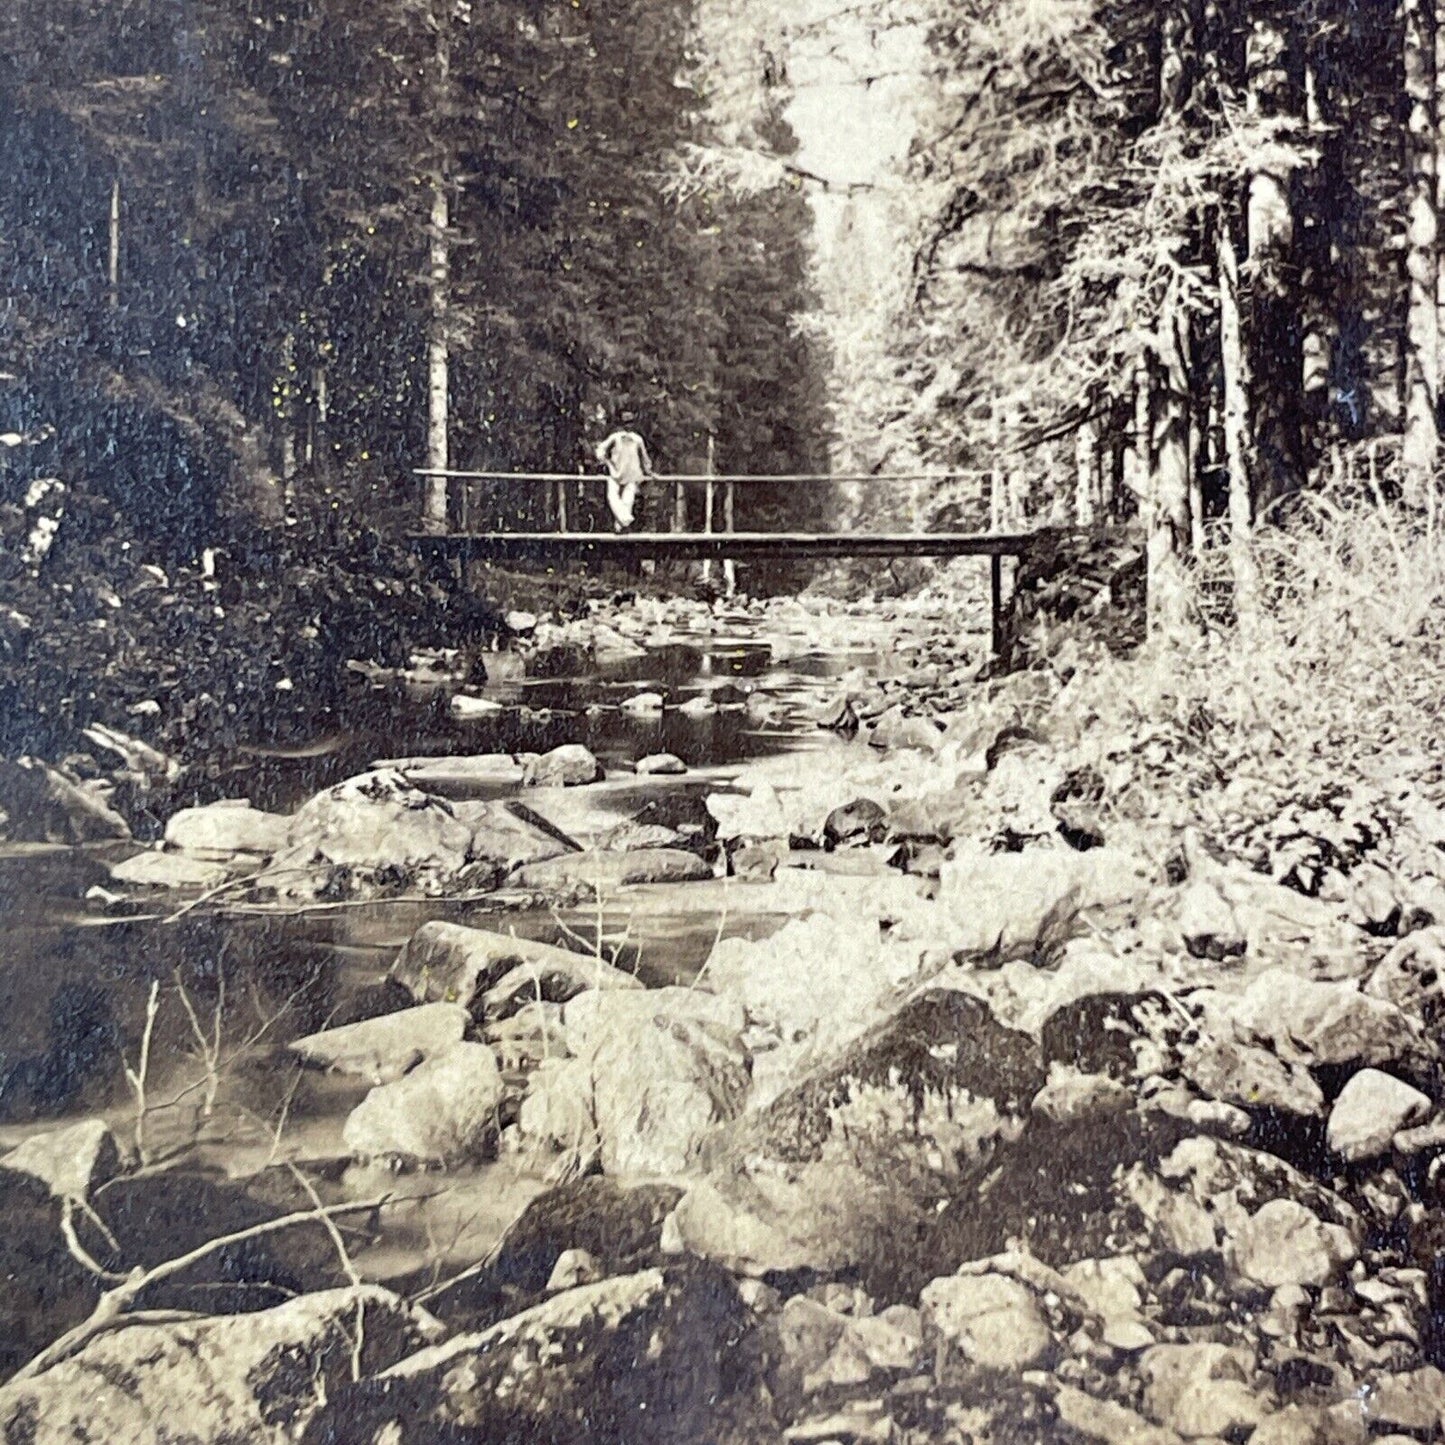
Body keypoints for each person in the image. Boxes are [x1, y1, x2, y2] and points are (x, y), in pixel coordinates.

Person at [595, 426, 653, 530]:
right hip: (618, 473)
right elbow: (600, 450)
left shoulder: (637, 439)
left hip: (630, 474)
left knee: (625, 499)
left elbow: (644, 457)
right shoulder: (616, 437)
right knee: (616, 498)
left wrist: (648, 471)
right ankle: (624, 522)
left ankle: (620, 525)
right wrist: (607, 463)